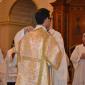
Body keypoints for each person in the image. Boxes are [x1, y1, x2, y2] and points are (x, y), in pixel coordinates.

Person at [15, 8, 62, 85]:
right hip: (41, 77)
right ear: (46, 19)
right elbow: (56, 58)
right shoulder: (47, 37)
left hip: (25, 77)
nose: (50, 21)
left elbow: (17, 49)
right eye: (49, 19)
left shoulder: (26, 36)